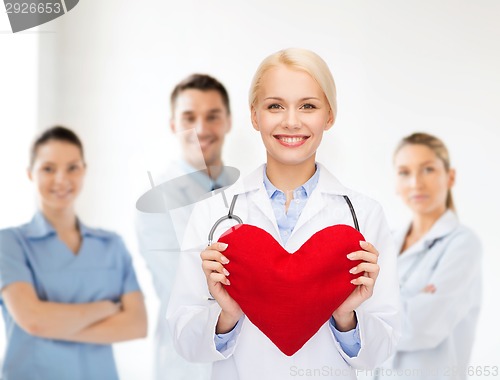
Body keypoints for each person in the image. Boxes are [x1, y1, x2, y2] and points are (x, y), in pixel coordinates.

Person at [167, 48, 400, 380]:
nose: (292, 121)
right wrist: (227, 314)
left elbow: (382, 348)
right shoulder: (212, 213)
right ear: (254, 116)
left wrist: (345, 315)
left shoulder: (364, 216)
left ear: (329, 116)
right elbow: (184, 339)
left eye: (308, 106)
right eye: (275, 106)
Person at [0, 126, 147, 380]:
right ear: (30, 174)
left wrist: (51, 325)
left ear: (84, 171)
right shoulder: (9, 243)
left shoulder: (112, 245)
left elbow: (136, 324)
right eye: (48, 168)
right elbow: (34, 320)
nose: (61, 179)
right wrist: (106, 308)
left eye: (72, 167)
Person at [135, 74, 235, 380]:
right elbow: (186, 285)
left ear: (228, 122)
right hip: (189, 366)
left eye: (212, 116)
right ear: (173, 125)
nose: (201, 129)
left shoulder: (246, 192)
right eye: (189, 117)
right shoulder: (158, 201)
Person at [376, 132, 482, 380]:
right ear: (395, 183)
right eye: (404, 172)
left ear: (450, 176)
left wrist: (366, 307)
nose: (415, 183)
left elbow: (421, 327)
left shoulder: (463, 245)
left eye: (428, 170)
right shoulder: (385, 243)